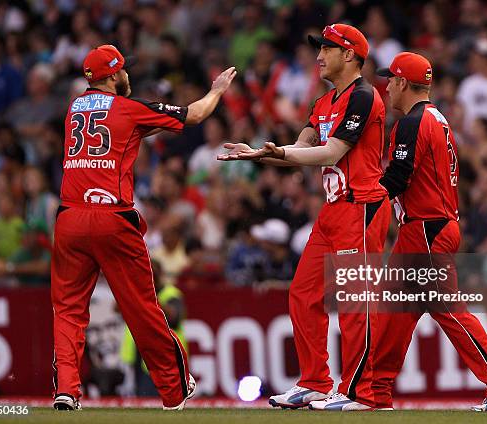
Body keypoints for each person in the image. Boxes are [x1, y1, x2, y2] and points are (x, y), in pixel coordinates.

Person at [51, 44, 235, 411]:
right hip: (112, 219)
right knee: (141, 307)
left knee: (68, 310)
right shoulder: (129, 107)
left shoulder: (74, 110)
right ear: (113, 75)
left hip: (69, 219)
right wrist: (216, 90)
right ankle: (173, 389)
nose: (128, 75)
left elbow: (121, 132)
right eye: (124, 70)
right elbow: (195, 115)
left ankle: (66, 390)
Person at [220, 24, 391, 411]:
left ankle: (361, 392)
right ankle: (315, 382)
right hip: (334, 210)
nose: (318, 56)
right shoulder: (324, 103)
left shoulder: (364, 96)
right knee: (302, 293)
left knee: (355, 301)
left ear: (350, 55)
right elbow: (302, 147)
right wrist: (258, 154)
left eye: (327, 48)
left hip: (361, 205)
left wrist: (277, 154)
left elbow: (331, 153)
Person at [372, 52, 487, 412]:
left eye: (390, 81)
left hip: (425, 228)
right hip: (432, 226)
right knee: (394, 310)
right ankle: (375, 394)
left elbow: (398, 178)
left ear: (401, 83)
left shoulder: (411, 123)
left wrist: (360, 196)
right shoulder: (437, 118)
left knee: (447, 307)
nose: (387, 88)